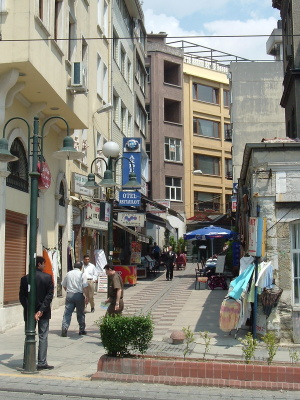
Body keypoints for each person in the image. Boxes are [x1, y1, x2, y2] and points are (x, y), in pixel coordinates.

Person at [19, 255, 54, 370]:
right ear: (39, 264)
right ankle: (42, 362)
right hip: (43, 313)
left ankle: (27, 360)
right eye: (43, 263)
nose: (44, 266)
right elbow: (49, 296)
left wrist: (31, 310)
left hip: (30, 313)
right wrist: (41, 310)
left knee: (29, 335)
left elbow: (22, 297)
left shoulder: (25, 279)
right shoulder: (47, 278)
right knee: (43, 336)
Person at [61, 261, 89, 337]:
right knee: (80, 313)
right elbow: (85, 287)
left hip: (69, 295)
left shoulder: (68, 274)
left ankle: (64, 328)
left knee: (67, 312)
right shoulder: (82, 275)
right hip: (79, 295)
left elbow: (63, 285)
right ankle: (82, 329)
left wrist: (68, 291)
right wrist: (87, 297)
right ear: (81, 267)